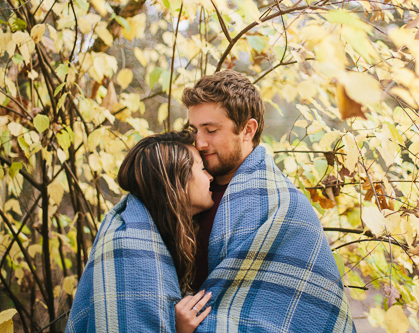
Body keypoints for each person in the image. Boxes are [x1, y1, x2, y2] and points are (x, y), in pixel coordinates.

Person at [181, 70, 356, 332]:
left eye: (211, 130)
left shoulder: (285, 206)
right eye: (194, 130)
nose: (200, 142)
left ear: (247, 130)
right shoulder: (185, 192)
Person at [65, 130, 215, 333]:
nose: (210, 176)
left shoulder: (162, 237)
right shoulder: (130, 248)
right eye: (202, 168)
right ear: (176, 182)